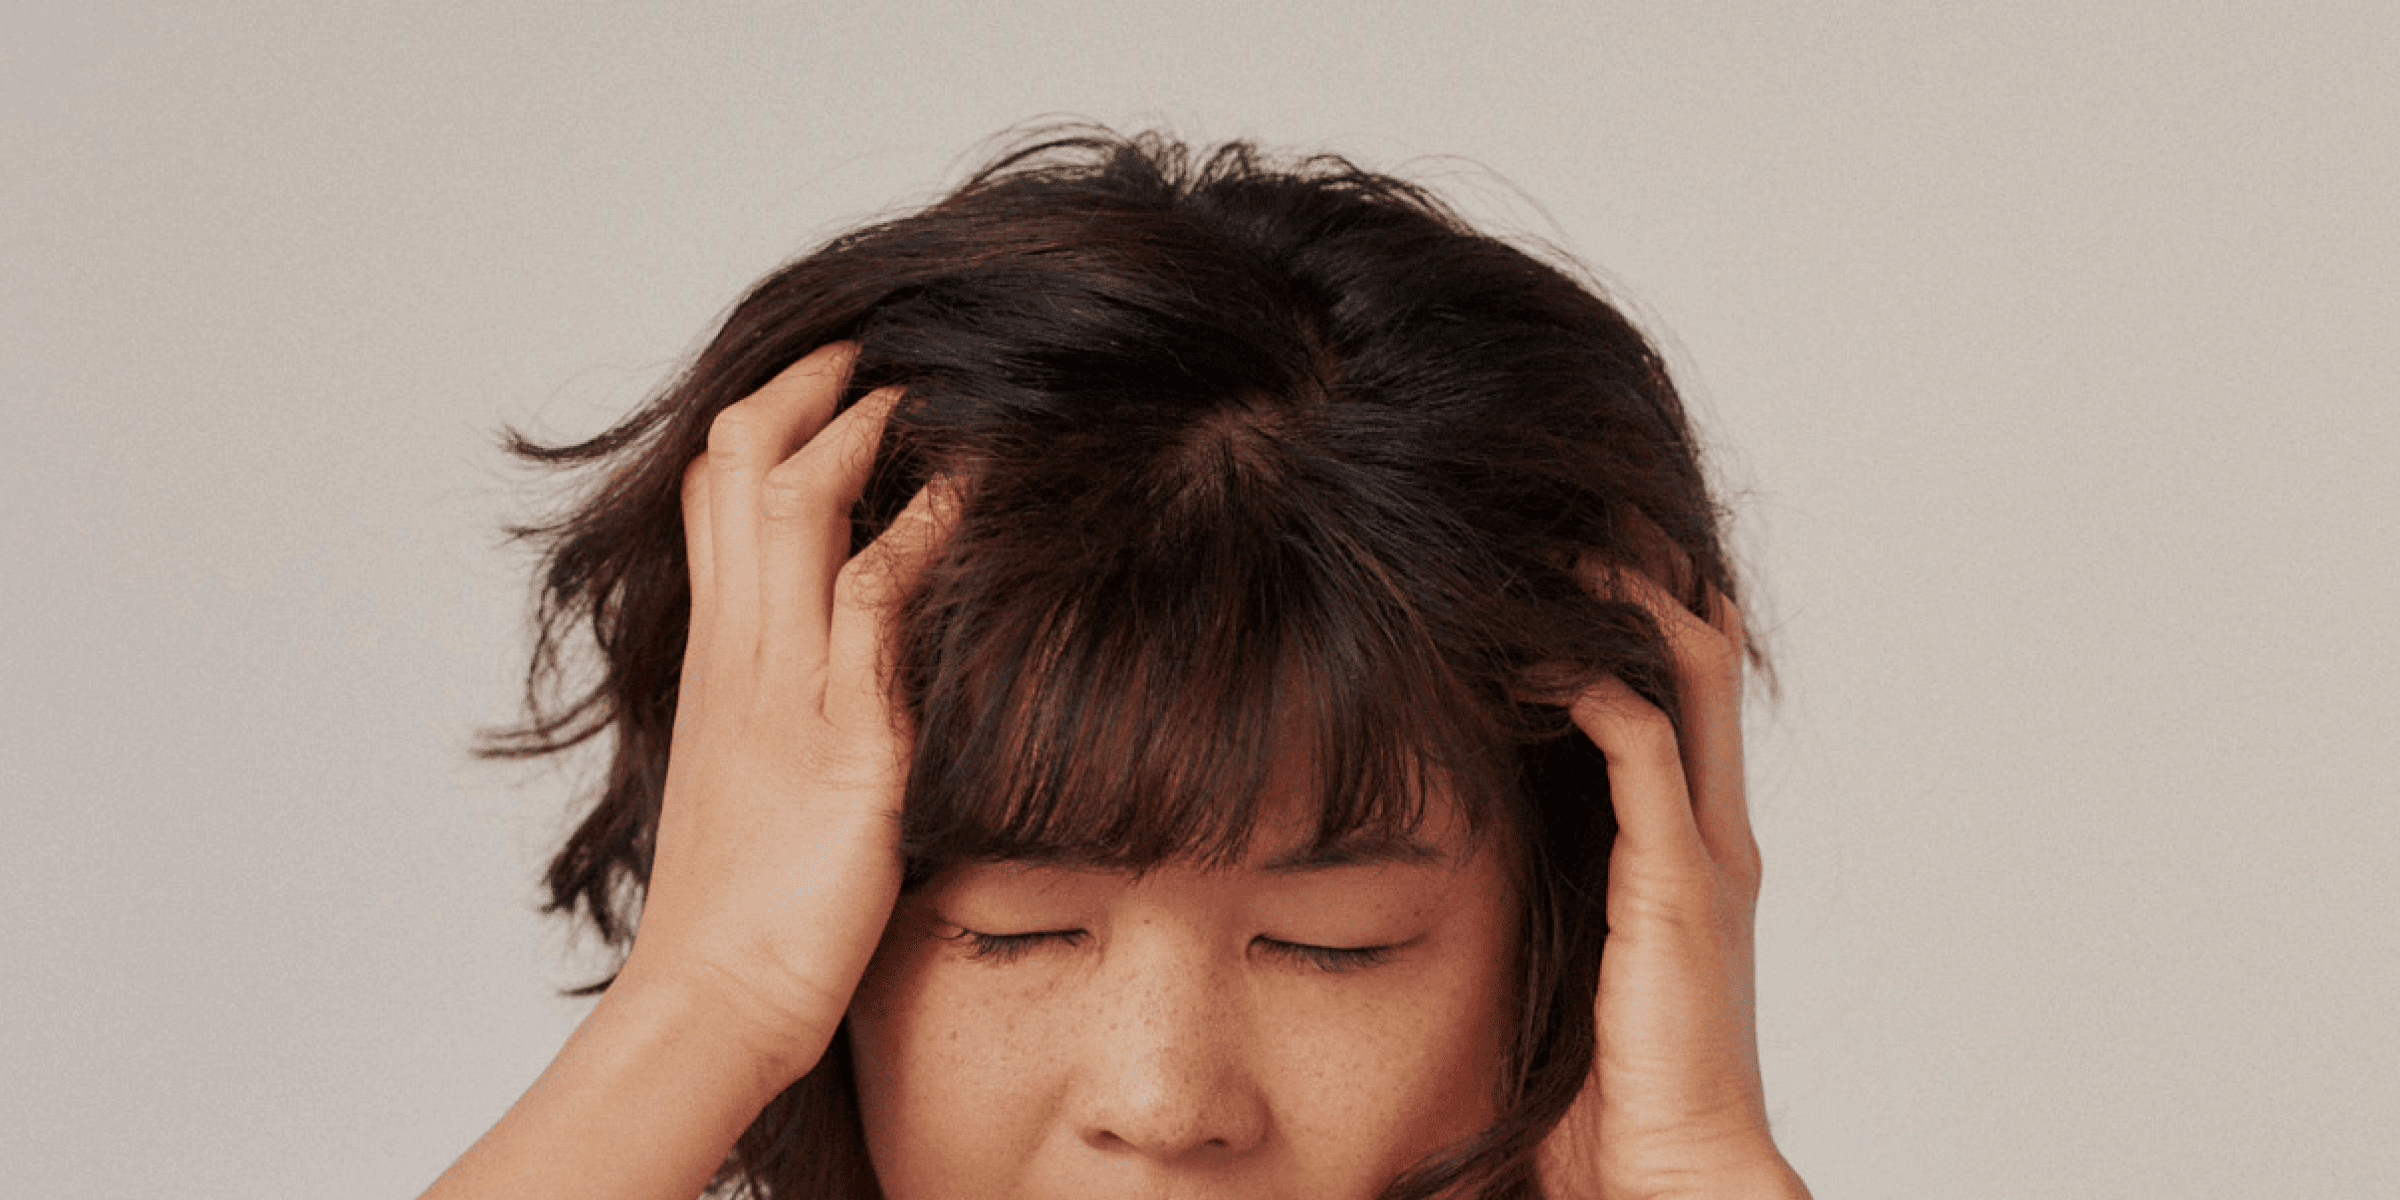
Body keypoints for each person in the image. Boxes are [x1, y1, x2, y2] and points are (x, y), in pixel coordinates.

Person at [422, 127, 1810, 1200]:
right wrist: (705, 1005)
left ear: (1576, 955)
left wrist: (1692, 1160)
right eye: (1012, 928)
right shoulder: (732, 985)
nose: (1158, 1101)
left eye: (1332, 948)